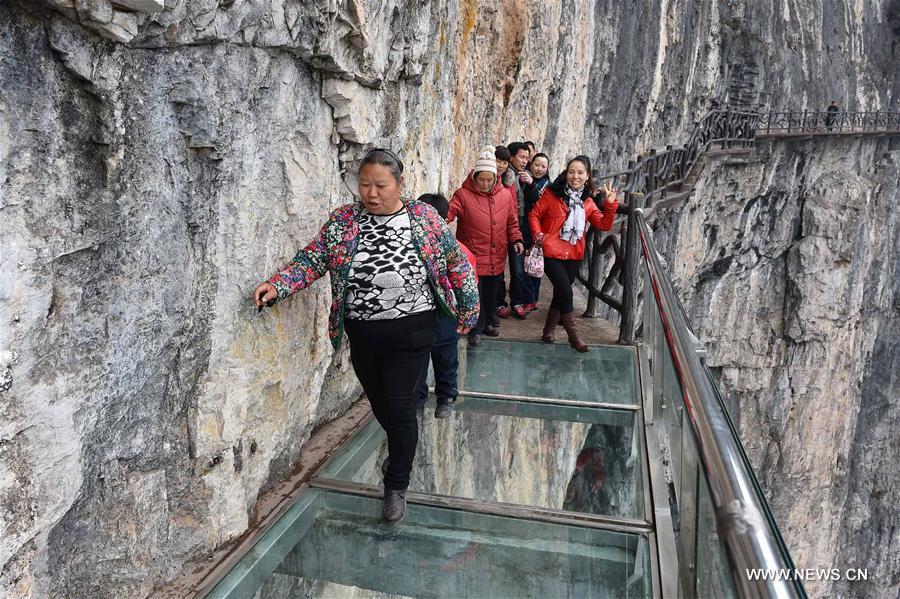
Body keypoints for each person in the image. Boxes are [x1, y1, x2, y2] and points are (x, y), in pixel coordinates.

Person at [252, 149, 479, 524]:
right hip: (363, 334)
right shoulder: (343, 221)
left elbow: (455, 260)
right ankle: (403, 447)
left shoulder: (423, 219)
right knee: (383, 405)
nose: (371, 194)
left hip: (413, 331)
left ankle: (395, 485)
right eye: (364, 185)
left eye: (380, 186)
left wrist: (469, 305)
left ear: (399, 185)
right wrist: (279, 285)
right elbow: (313, 259)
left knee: (400, 406)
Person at [529, 155, 619, 352]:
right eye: (571, 172)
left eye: (580, 173)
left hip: (574, 255)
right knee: (566, 291)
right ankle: (573, 335)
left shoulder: (587, 202)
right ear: (565, 173)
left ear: (587, 177)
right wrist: (540, 237)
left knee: (561, 292)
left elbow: (604, 224)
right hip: (552, 250)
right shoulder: (552, 194)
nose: (575, 176)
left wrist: (610, 204)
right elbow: (534, 214)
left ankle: (548, 330)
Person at [449, 146, 524, 347]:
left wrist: (516, 240)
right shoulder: (462, 195)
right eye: (481, 179)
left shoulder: (505, 195)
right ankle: (477, 329)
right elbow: (449, 212)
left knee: (492, 293)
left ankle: (489, 322)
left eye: (489, 179)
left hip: (496, 254)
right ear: (474, 176)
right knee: (477, 293)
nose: (485, 183)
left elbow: (512, 222)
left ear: (495, 178)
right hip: (473, 255)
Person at [414, 193, 477, 419]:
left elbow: (469, 282)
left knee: (446, 356)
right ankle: (417, 397)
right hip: (419, 312)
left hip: (445, 312)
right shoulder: (412, 247)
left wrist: (467, 313)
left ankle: (446, 396)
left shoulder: (457, 250)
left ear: (443, 221)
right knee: (418, 357)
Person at [496, 141, 533, 320]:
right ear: (512, 157)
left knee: (518, 269)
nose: (525, 161)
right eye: (522, 157)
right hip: (502, 229)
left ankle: (516, 302)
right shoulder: (505, 177)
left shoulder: (525, 176)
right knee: (499, 269)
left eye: (527, 157)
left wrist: (532, 184)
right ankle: (501, 303)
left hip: (517, 228)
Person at [521, 152, 551, 313]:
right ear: (530, 165)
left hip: (538, 231)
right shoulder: (523, 179)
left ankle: (533, 299)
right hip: (523, 228)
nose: (539, 169)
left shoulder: (548, 185)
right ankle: (528, 299)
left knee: (536, 266)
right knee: (524, 268)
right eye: (536, 165)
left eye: (543, 166)